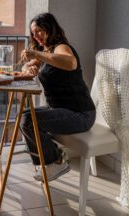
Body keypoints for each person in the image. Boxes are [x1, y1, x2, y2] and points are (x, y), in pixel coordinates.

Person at [20, 13, 96, 182]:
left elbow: (70, 63)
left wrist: (36, 55)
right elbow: (28, 64)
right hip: (60, 109)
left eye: (39, 31)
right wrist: (29, 68)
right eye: (33, 33)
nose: (36, 36)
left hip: (80, 114)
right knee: (24, 115)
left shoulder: (61, 47)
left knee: (28, 120)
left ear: (50, 28)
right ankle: (49, 164)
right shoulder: (45, 51)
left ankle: (56, 161)